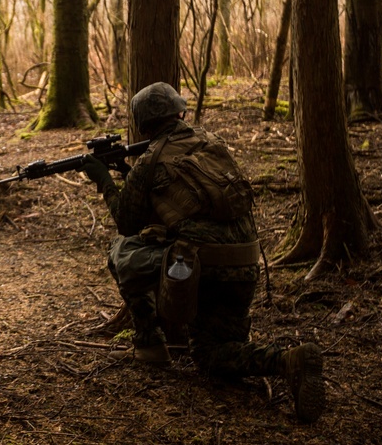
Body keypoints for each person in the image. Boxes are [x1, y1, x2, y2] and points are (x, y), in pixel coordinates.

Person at [80, 81, 326, 424]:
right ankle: (291, 361)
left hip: (203, 270)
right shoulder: (212, 143)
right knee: (218, 351)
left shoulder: (149, 161)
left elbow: (126, 222)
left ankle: (150, 342)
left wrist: (102, 178)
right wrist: (128, 172)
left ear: (143, 124)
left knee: (121, 251)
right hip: (245, 264)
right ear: (179, 112)